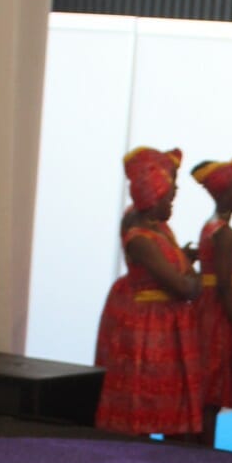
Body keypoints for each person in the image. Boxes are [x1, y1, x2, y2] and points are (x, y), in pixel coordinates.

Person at [95, 146, 202, 438]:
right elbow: (183, 287)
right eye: (169, 196)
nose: (174, 199)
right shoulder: (141, 239)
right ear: (154, 199)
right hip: (148, 325)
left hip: (163, 322)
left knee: (165, 400)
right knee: (142, 396)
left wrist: (186, 268)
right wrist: (194, 279)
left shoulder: (159, 227)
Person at [191, 153, 232, 446]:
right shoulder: (224, 234)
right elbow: (226, 287)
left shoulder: (210, 226)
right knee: (211, 395)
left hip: (209, 310)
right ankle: (203, 454)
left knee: (208, 392)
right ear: (225, 194)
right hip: (220, 316)